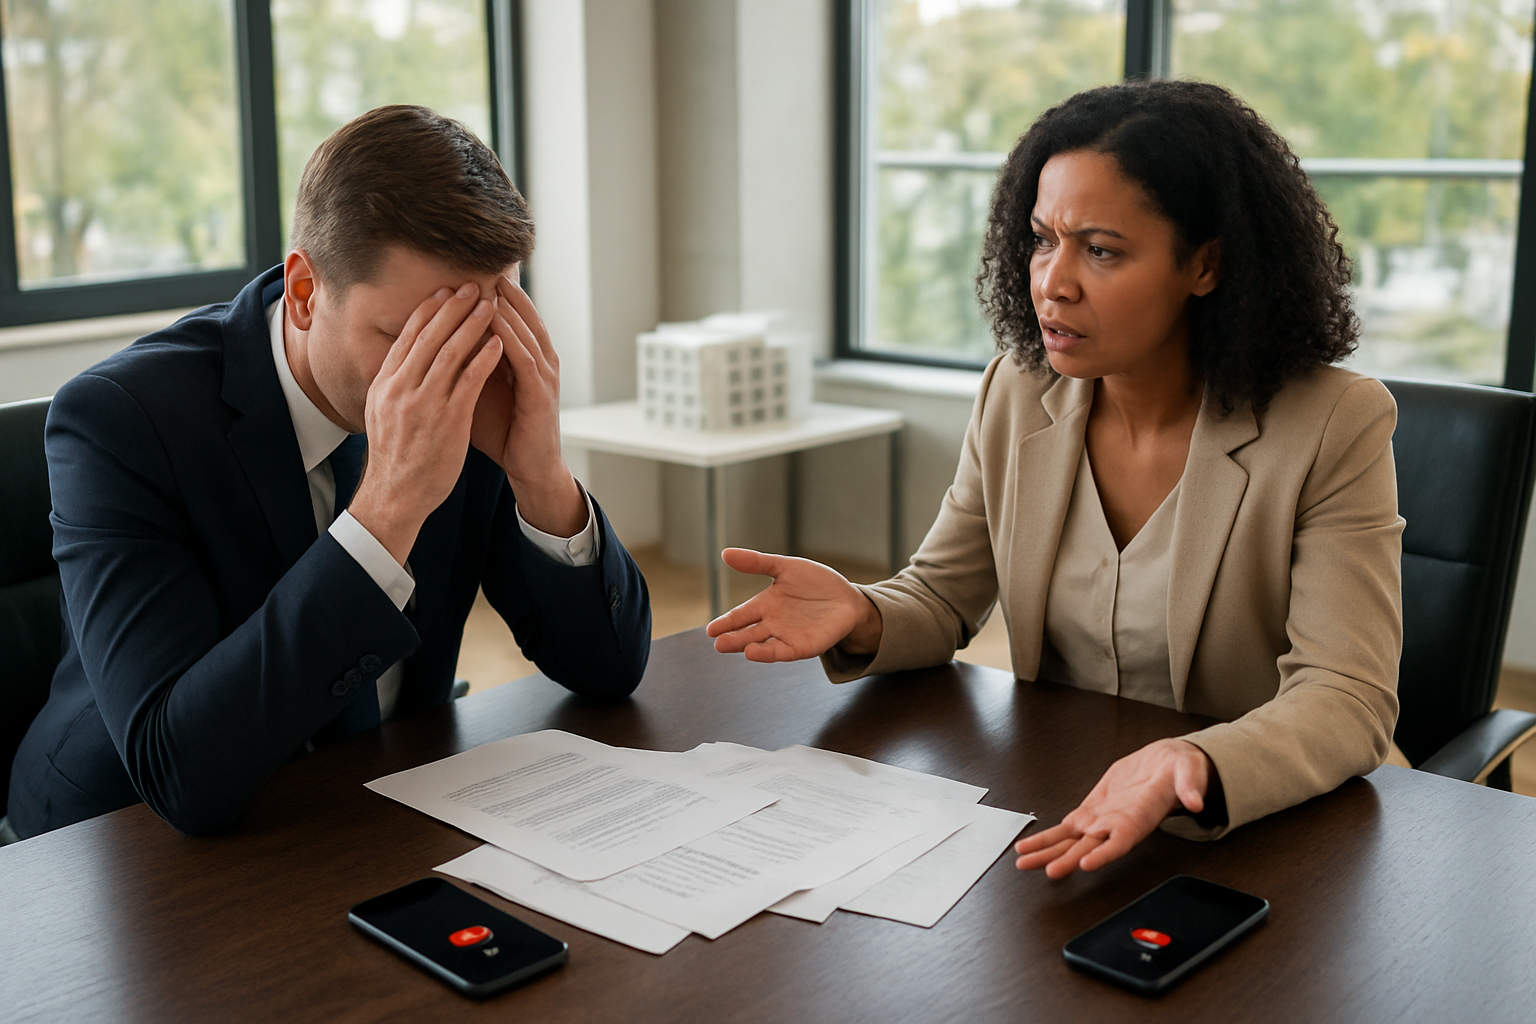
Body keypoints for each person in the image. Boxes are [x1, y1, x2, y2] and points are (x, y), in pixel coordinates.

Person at [706, 79, 1402, 876]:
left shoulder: (1333, 422)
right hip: (1060, 814)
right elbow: (941, 596)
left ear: (1205, 264)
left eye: (1100, 249)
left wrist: (1196, 762)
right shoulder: (1017, 390)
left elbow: (1347, 697)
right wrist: (862, 613)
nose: (1053, 281)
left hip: (1255, 842)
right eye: (1042, 239)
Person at [6, 105, 651, 841]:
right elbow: (179, 771)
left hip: (368, 806)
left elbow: (608, 671)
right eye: (407, 337)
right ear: (306, 292)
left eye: (473, 332)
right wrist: (388, 506)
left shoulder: (473, 388)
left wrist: (542, 478)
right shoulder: (120, 421)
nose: (442, 370)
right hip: (117, 842)